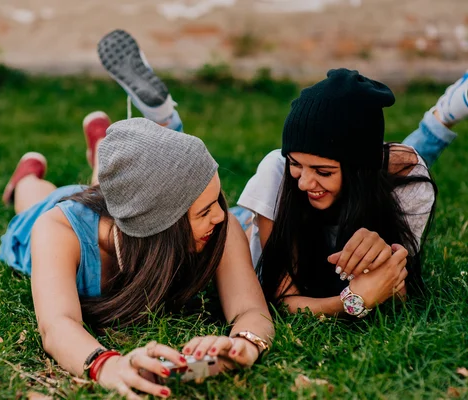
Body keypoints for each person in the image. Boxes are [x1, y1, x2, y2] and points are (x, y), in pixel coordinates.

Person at [96, 30, 465, 318]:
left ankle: (442, 116)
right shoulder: (276, 173)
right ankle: (164, 120)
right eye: (296, 164)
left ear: (359, 170)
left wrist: (386, 255)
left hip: (374, 177)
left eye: (322, 170)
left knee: (404, 164)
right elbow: (282, 298)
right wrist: (353, 301)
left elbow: (397, 298)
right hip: (244, 228)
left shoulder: (409, 185)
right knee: (183, 198)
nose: (303, 182)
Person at [0, 117, 274, 399]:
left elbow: (251, 311)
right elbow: (57, 324)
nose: (219, 215)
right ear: (159, 227)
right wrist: (107, 365)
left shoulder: (220, 226)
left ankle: (101, 157)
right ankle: (26, 177)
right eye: (203, 212)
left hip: (124, 212)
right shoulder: (58, 231)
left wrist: (245, 344)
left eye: (217, 200)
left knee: (120, 189)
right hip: (61, 209)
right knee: (33, 201)